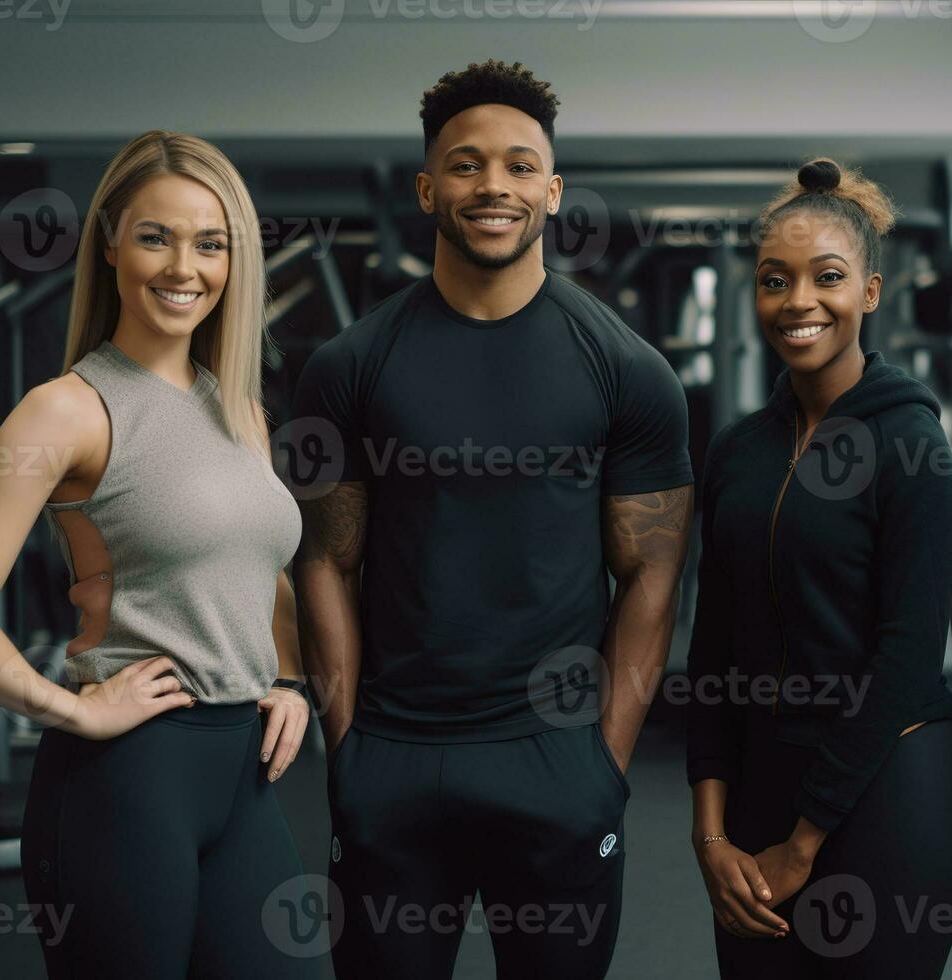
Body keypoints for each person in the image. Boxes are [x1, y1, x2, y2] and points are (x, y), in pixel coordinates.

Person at [288, 60, 693, 979]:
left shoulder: (626, 371)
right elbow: (322, 560)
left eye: (518, 166)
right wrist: (349, 746)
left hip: (555, 758)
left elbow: (654, 572)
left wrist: (606, 764)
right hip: (394, 754)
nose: (492, 186)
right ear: (429, 187)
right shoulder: (348, 365)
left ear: (551, 191)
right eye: (466, 166)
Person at [0, 130, 318, 977]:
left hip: (241, 778)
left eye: (210, 243)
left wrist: (285, 680)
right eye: (155, 236)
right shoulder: (66, 411)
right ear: (110, 245)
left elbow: (260, 560)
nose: (184, 267)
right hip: (125, 781)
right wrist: (76, 712)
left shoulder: (237, 406)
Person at [685, 157, 952, 978]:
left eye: (828, 278)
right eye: (775, 281)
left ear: (871, 293)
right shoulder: (738, 452)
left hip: (890, 791)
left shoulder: (910, 444)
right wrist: (711, 832)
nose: (799, 302)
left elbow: (909, 653)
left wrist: (802, 840)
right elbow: (713, 648)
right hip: (758, 788)